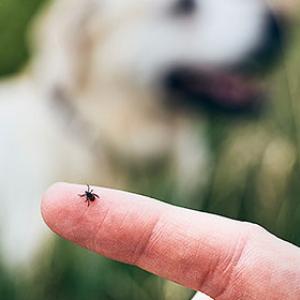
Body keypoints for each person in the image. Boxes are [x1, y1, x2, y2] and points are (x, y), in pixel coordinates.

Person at [41, 183, 300, 300]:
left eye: (88, 194)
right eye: (88, 194)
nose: (89, 195)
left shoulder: (88, 197)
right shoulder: (91, 195)